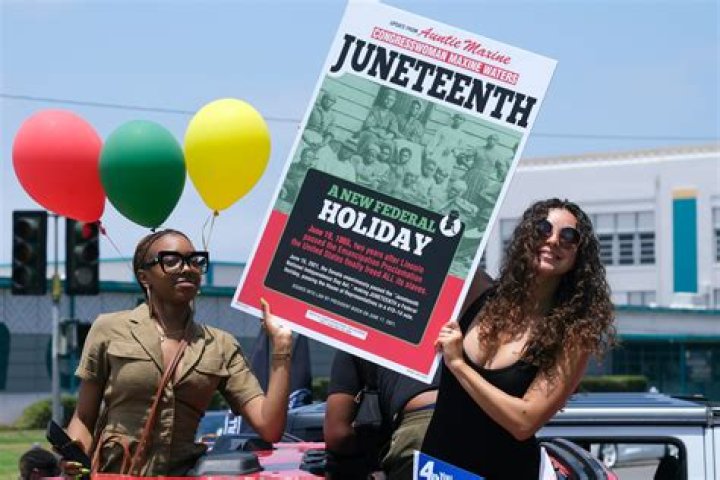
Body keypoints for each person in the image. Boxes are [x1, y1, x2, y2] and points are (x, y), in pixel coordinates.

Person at [62, 229, 293, 476]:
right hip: (114, 474)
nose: (187, 268)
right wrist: (74, 455)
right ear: (144, 277)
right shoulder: (109, 329)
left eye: (194, 261)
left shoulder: (221, 345)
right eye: (171, 261)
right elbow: (84, 416)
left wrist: (282, 347)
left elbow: (269, 427)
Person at [422, 198, 616, 479]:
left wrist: (459, 365)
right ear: (526, 236)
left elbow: (523, 422)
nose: (553, 240)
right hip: (436, 469)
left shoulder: (574, 335)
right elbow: (438, 241)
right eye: (543, 228)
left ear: (579, 253)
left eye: (568, 236)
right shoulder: (478, 293)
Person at [324, 350, 440, 480]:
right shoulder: (453, 336)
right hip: (456, 420)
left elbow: (338, 434)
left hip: (419, 431)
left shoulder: (360, 340)